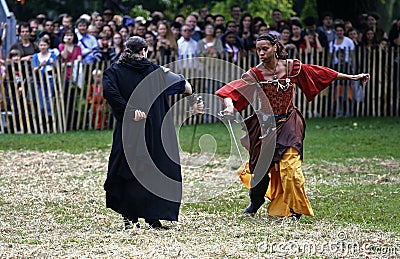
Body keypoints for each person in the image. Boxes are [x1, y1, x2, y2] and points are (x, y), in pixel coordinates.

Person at [215, 33, 369, 221]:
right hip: (264, 125)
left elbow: (321, 73)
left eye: (265, 49)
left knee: (290, 167)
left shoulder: (292, 67)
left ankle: (295, 209)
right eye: (258, 50)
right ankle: (255, 203)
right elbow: (232, 91)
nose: (261, 53)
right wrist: (230, 107)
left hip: (289, 121)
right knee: (260, 171)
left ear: (275, 47)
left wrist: (353, 77)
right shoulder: (254, 74)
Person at [102, 36, 203, 229]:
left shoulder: (113, 72)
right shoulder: (157, 72)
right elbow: (186, 86)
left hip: (129, 130)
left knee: (128, 169)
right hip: (155, 130)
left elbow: (110, 94)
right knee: (154, 169)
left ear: (126, 50)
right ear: (144, 51)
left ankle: (129, 217)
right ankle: (153, 217)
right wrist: (195, 101)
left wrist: (129, 111)